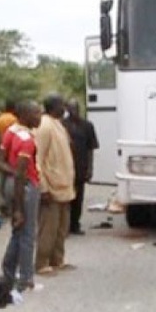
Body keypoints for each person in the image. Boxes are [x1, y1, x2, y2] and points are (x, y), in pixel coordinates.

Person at [0, 101, 43, 292]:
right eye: (36, 113)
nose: (40, 116)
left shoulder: (11, 131)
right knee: (27, 234)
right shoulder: (27, 140)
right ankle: (26, 279)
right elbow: (22, 172)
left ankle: (8, 272)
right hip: (24, 187)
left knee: (18, 231)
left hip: (12, 183)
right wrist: (18, 208)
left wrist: (12, 173)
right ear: (24, 115)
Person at [35, 94, 76, 276]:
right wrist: (43, 188)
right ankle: (42, 263)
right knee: (48, 229)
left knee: (62, 227)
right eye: (62, 105)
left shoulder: (58, 124)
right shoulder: (44, 126)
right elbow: (38, 159)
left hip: (64, 187)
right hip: (50, 187)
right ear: (54, 106)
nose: (64, 108)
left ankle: (57, 260)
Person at [62, 98, 99, 235]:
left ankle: (75, 225)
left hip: (80, 167)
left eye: (75, 109)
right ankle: (65, 226)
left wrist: (90, 168)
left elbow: (91, 148)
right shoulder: (62, 125)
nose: (73, 112)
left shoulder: (87, 126)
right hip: (65, 168)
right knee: (66, 198)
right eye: (70, 109)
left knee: (78, 198)